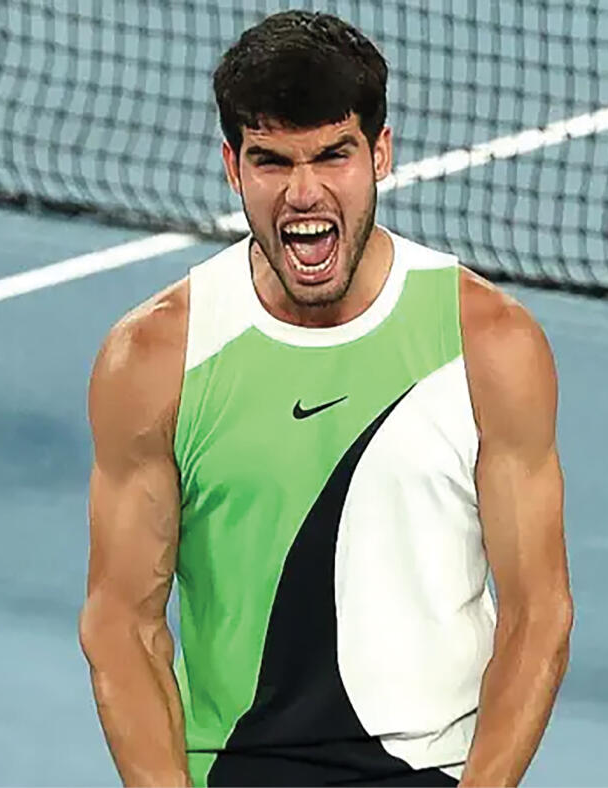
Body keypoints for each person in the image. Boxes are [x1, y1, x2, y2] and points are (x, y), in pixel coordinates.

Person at [79, 10, 572, 787]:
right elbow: (121, 625)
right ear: (233, 166)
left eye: (333, 155)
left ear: (380, 153)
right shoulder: (153, 359)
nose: (303, 193)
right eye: (272, 161)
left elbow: (538, 616)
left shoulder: (490, 345)